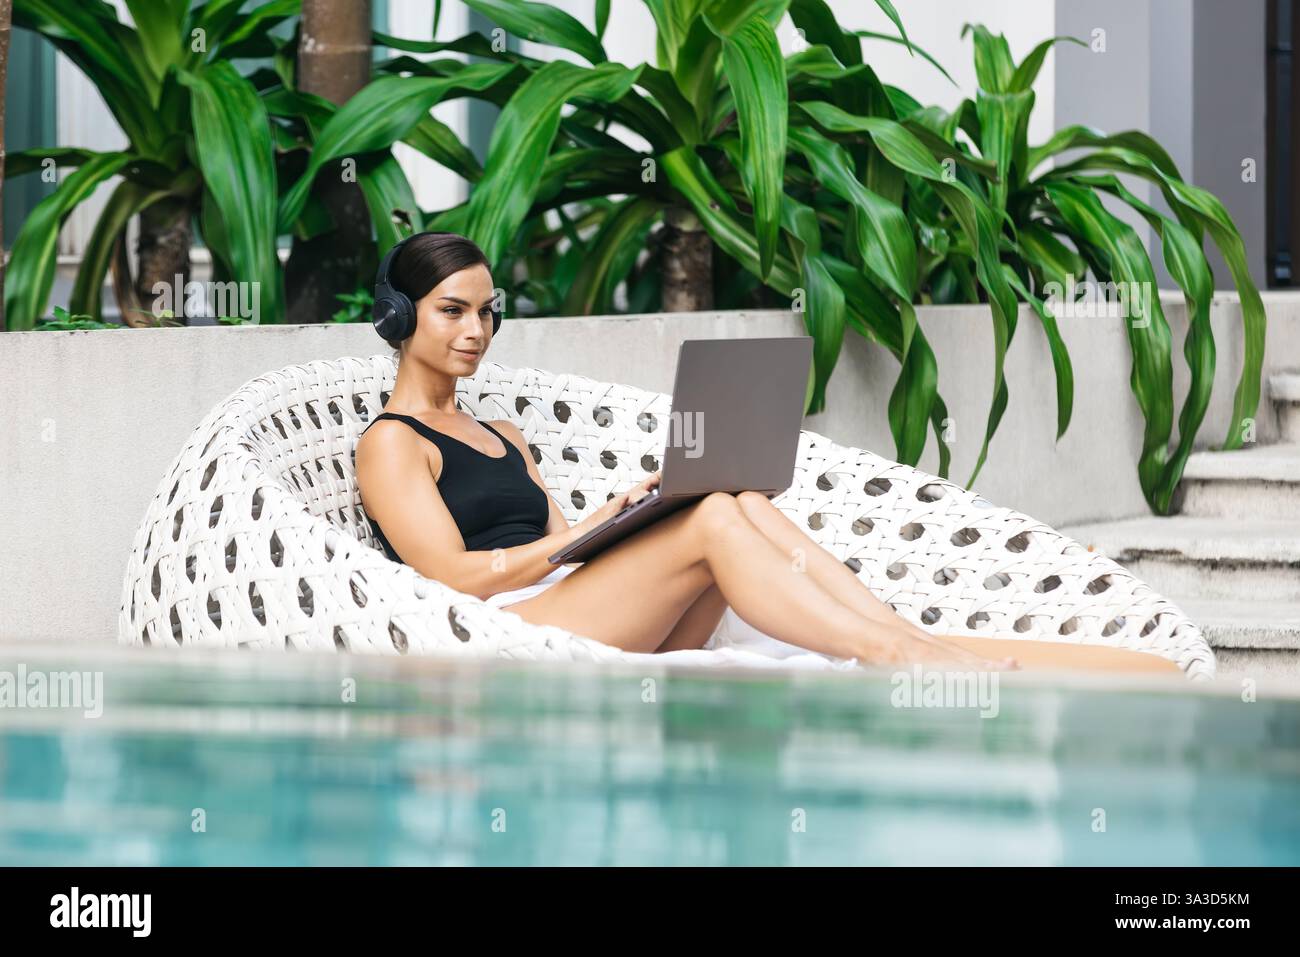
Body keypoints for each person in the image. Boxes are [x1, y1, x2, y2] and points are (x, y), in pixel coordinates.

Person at [355, 231, 1181, 675]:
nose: (475, 331)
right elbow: (452, 579)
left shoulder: (506, 437)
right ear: (401, 319)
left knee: (733, 497)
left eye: (489, 312)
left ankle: (898, 633)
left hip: (576, 604)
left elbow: (569, 555)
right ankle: (895, 653)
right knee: (714, 517)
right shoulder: (393, 447)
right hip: (497, 630)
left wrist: (627, 521)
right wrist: (583, 534)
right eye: (451, 310)